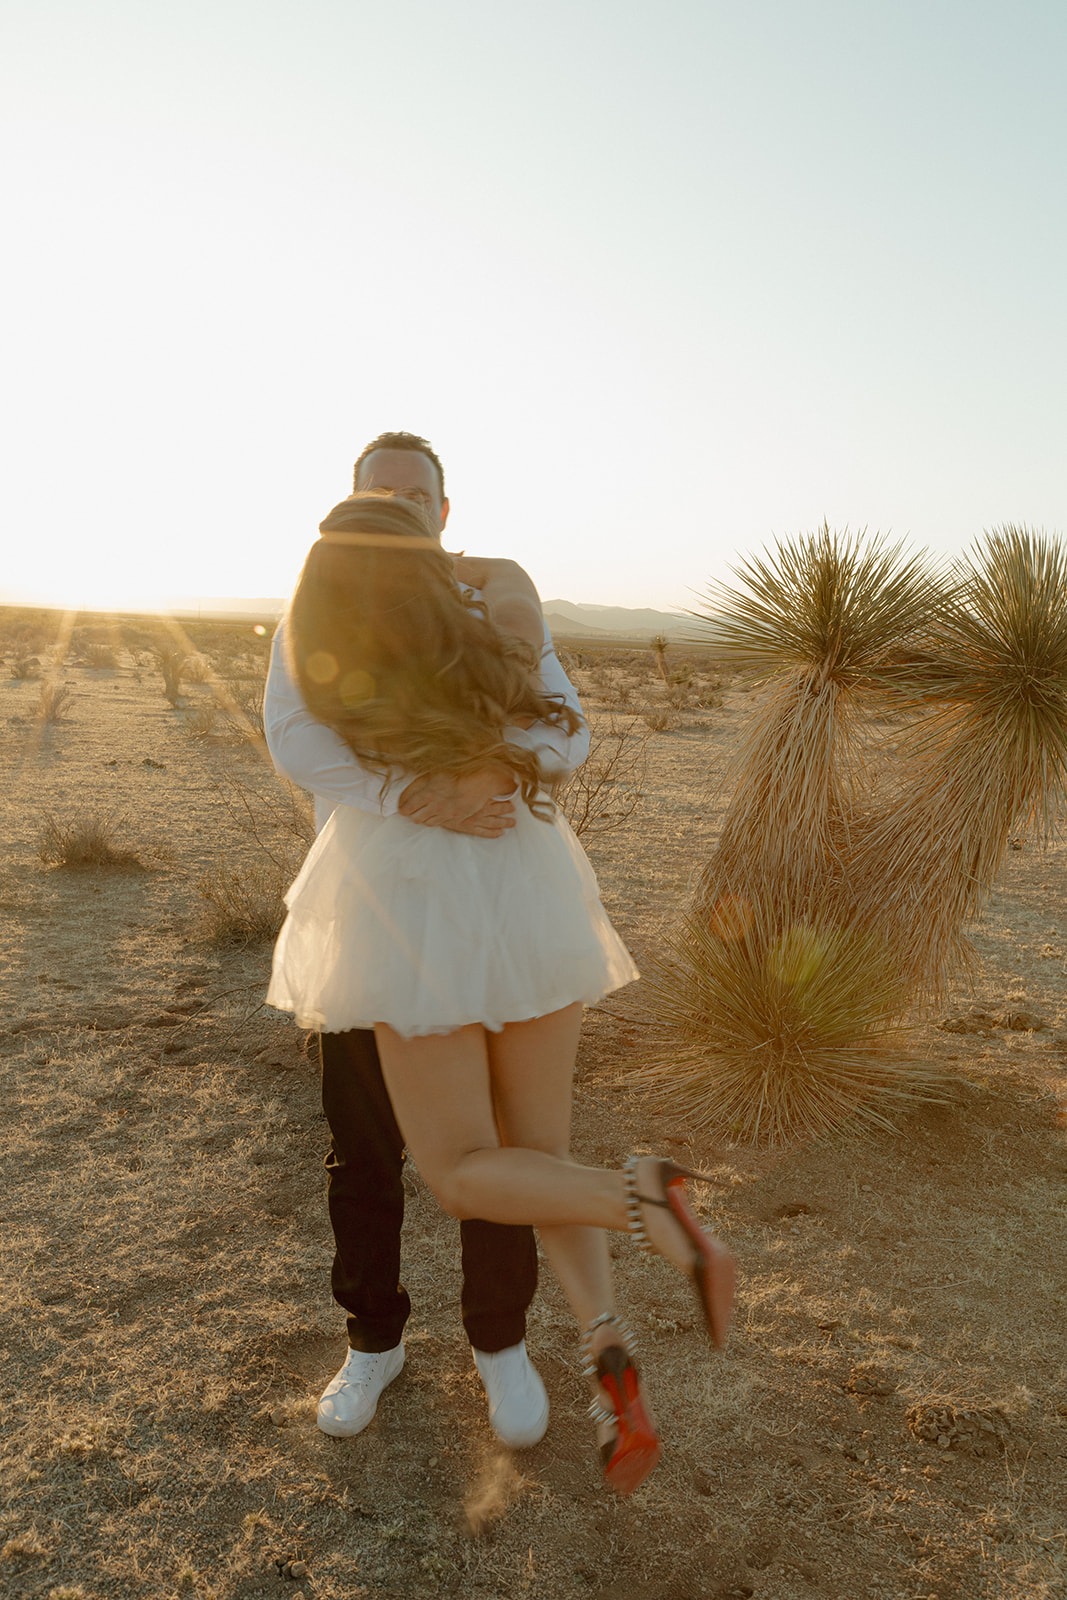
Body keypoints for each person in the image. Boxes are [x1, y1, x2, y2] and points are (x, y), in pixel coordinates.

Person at [266, 489, 736, 1495]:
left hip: (411, 902)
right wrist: (488, 762)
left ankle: (645, 1198)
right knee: (528, 1152)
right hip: (525, 880)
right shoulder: (495, 610)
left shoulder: (331, 624)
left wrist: (428, 786)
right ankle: (607, 1351)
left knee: (464, 1170)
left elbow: (300, 742)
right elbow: (566, 736)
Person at [263, 432, 590, 1450]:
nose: (399, 505)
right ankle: (372, 1341)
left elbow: (566, 730)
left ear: (442, 513)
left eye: (416, 494)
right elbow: (294, 735)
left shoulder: (498, 600)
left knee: (489, 1146)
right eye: (380, 491)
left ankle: (500, 1344)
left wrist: (482, 767)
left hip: (486, 920)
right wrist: (412, 792)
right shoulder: (320, 597)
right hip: (370, 915)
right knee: (361, 1145)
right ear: (354, 502)